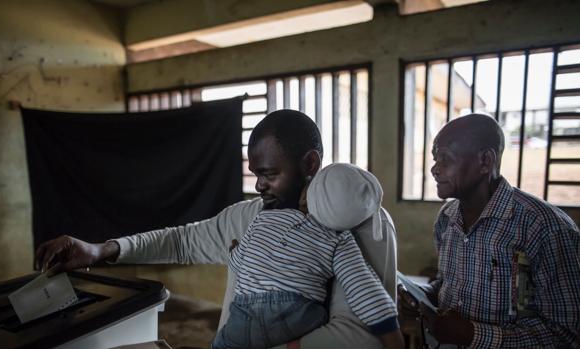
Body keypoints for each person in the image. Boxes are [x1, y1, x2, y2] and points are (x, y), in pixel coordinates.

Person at [36, 109, 399, 349]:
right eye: (256, 175)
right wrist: (102, 250)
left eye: (269, 174)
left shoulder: (360, 228)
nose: (259, 186)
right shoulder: (250, 215)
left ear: (310, 163)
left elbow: (362, 336)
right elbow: (182, 241)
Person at [400, 113, 580, 348]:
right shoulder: (446, 219)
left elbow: (566, 334)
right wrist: (420, 295)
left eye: (445, 159)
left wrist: (473, 334)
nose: (434, 169)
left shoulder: (544, 227)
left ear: (485, 160)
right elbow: (448, 286)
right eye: (435, 159)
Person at [213, 163, 403, 349]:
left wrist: (234, 252)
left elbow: (239, 262)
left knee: (221, 344)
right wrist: (392, 335)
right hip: (298, 315)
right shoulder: (340, 238)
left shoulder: (266, 217)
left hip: (245, 314)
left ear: (306, 197)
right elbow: (363, 288)